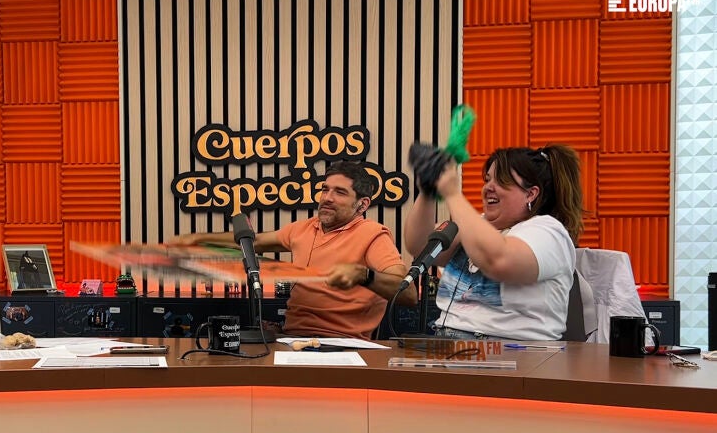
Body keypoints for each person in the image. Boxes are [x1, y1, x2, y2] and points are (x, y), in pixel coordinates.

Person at [169, 161, 416, 340]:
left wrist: (365, 275)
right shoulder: (303, 228)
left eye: (340, 192)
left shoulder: (373, 234)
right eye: (325, 189)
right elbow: (252, 242)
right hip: (293, 340)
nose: (327, 198)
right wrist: (198, 238)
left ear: (362, 205)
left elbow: (409, 294)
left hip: (344, 345)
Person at [403, 144, 583, 341]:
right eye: (488, 179)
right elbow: (419, 245)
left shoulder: (548, 232)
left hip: (512, 351)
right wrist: (428, 191)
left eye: (502, 181)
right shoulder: (477, 225)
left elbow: (499, 261)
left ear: (530, 194)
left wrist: (452, 193)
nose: (488, 187)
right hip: (448, 344)